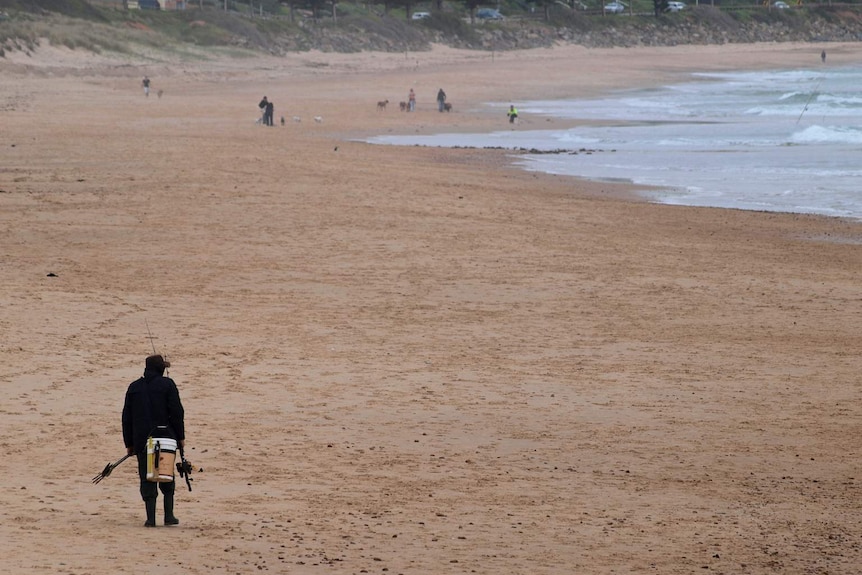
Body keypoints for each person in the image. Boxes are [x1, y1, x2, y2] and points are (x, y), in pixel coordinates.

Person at [122, 354, 186, 527]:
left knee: (146, 477)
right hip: (165, 437)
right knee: (166, 475)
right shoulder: (168, 385)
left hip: (142, 440)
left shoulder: (134, 387)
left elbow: (126, 418)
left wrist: (129, 443)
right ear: (162, 369)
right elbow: (177, 412)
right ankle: (169, 516)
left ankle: (150, 518)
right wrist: (180, 437)